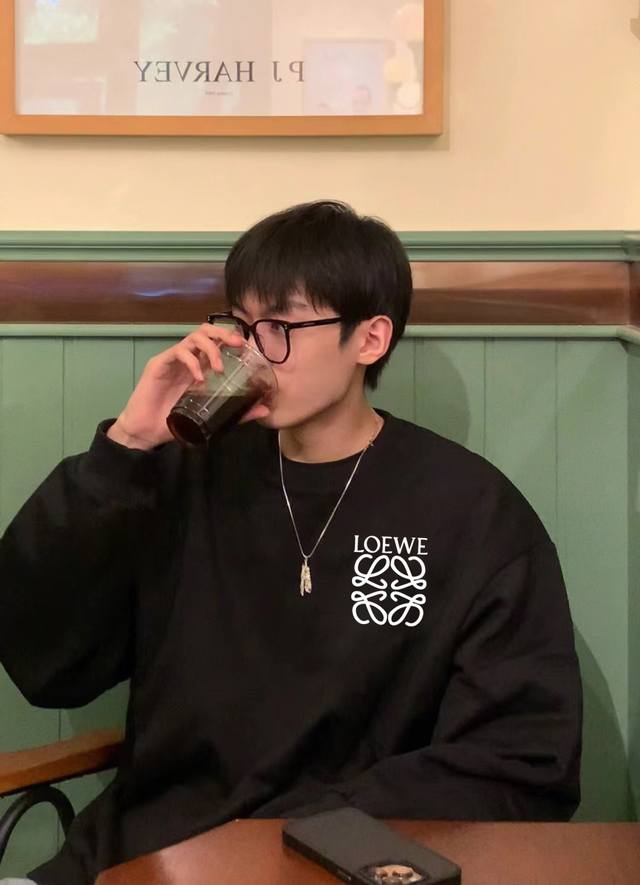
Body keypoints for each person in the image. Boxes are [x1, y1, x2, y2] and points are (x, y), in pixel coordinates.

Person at [0, 201, 582, 885]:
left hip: (331, 862)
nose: (251, 353)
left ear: (370, 339)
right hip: (139, 861)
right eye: (241, 326)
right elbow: (45, 662)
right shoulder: (182, 474)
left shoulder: (469, 510)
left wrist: (303, 834)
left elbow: (522, 757)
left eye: (279, 328)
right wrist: (125, 448)